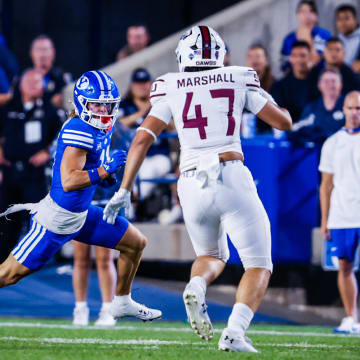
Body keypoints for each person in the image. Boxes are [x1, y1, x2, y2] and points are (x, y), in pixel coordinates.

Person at [103, 25, 292, 352]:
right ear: (219, 54)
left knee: (210, 255)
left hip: (190, 182)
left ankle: (196, 284)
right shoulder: (238, 76)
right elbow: (283, 123)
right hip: (229, 172)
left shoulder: (169, 85)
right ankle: (234, 331)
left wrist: (124, 189)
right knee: (259, 264)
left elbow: (142, 139)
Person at [0, 70, 162, 323]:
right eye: (97, 104)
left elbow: (89, 168)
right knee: (7, 275)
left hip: (82, 215)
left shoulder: (100, 127)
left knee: (135, 243)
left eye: (108, 105)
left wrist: (105, 175)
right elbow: (69, 181)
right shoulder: (80, 128)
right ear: (82, 102)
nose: (104, 111)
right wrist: (104, 170)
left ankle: (121, 301)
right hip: (57, 220)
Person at [0, 69, 64, 263]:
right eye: (30, 82)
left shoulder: (49, 110)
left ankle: (37, 259)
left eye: (38, 82)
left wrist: (47, 152)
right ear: (21, 85)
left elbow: (61, 137)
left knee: (38, 218)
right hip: (9, 171)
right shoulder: (8, 107)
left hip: (33, 174)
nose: (34, 85)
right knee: (6, 217)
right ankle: (3, 259)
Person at [319, 91, 360, 334]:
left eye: (359, 108)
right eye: (351, 108)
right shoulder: (332, 143)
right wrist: (325, 220)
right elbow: (326, 185)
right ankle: (350, 318)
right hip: (342, 215)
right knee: (344, 267)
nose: (355, 113)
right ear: (343, 109)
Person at [115, 68, 172, 219]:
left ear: (151, 84)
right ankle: (129, 205)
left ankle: (131, 206)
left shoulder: (161, 102)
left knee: (148, 170)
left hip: (157, 154)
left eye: (145, 82)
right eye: (138, 83)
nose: (141, 86)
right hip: (132, 154)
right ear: (132, 85)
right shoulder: (124, 105)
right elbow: (116, 124)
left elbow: (174, 125)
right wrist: (142, 113)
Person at [288, 69, 345, 145]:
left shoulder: (351, 106)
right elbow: (297, 130)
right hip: (316, 152)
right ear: (319, 85)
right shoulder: (311, 108)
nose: (330, 85)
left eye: (333, 81)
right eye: (326, 81)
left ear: (340, 85)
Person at [72, 241, 117, 326]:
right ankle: (80, 309)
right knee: (80, 259)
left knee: (105, 259)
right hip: (81, 227)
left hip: (104, 227)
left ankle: (108, 310)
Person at [281, 0, 331, 71]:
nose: (307, 16)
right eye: (303, 11)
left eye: (311, 11)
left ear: (316, 15)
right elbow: (285, 67)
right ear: (298, 15)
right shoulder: (289, 39)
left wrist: (309, 39)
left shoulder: (325, 35)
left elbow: (318, 61)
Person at [271, 41, 312, 123]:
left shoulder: (321, 83)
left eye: (303, 56)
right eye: (295, 56)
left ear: (310, 57)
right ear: (290, 58)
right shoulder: (280, 87)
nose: (299, 60)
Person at [245, 44, 275, 134]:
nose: (254, 60)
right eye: (250, 57)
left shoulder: (277, 86)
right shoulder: (239, 86)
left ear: (265, 60)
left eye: (258, 56)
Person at [335, 4, 360, 70]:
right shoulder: (336, 40)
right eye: (339, 19)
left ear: (355, 20)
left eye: (347, 18)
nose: (343, 22)